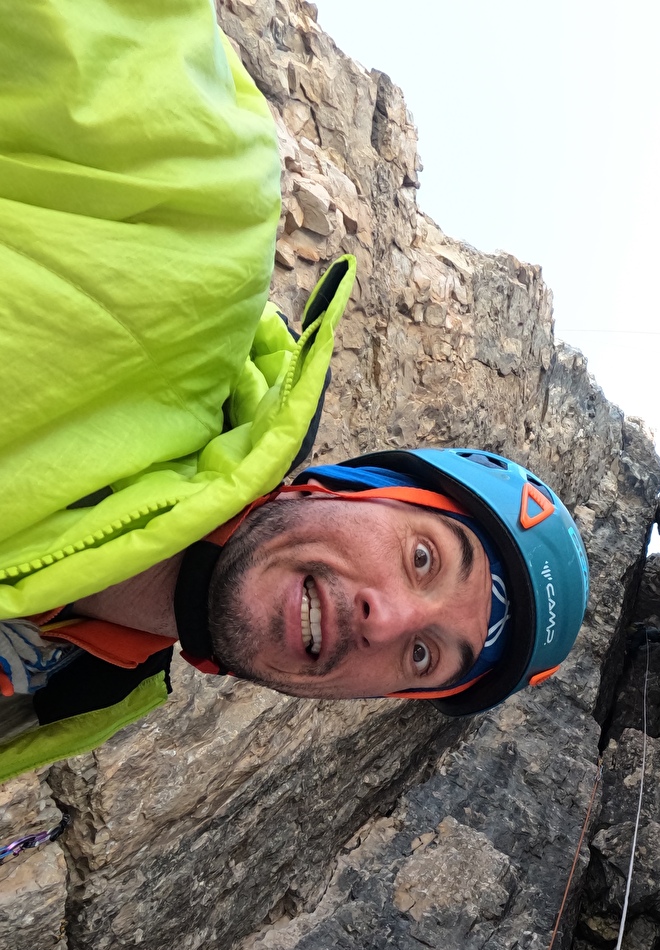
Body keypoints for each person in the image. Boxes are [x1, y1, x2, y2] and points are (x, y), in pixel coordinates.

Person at [0, 0, 589, 787]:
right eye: (423, 556)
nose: (392, 618)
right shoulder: (186, 216)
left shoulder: (64, 699)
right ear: (348, 488)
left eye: (422, 656)